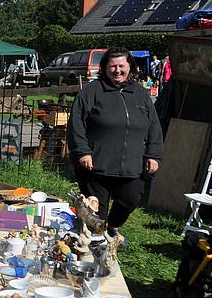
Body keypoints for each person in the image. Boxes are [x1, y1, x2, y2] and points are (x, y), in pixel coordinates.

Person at [67, 47, 163, 241]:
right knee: (97, 213)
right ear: (105, 68)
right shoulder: (91, 91)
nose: (117, 71)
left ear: (130, 67)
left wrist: (153, 154)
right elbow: (75, 123)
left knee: (131, 198)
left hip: (131, 164)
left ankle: (113, 226)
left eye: (122, 66)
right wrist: (83, 152)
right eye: (113, 66)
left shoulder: (140, 94)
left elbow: (153, 125)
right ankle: (96, 247)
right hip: (96, 164)